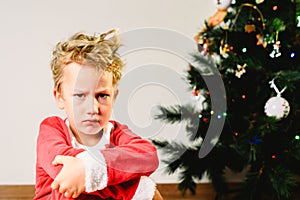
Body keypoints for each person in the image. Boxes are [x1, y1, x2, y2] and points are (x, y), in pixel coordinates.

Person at [34, 29, 163, 200]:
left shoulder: (117, 133)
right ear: (60, 98)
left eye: (102, 96)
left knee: (149, 190)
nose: (93, 108)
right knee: (142, 185)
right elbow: (67, 174)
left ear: (114, 96)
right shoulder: (52, 129)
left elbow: (147, 156)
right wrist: (132, 184)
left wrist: (90, 167)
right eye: (80, 95)